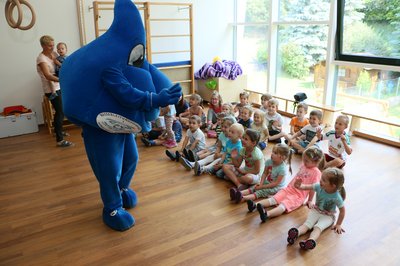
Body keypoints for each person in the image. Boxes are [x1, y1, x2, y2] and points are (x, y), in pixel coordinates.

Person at [249, 146, 324, 222]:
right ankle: (254, 205)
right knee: (274, 198)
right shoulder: (303, 165)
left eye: (306, 161)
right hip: (289, 189)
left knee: (284, 205)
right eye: (303, 159)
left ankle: (267, 214)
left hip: (298, 196)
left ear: (315, 162)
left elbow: (313, 188)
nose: (304, 161)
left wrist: (310, 200)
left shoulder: (317, 173)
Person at [287, 168, 346, 250]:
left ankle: (310, 241)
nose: (320, 180)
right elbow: (306, 187)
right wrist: (299, 186)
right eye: (321, 178)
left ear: (333, 186)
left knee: (318, 227)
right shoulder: (319, 186)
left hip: (328, 216)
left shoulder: (337, 197)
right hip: (316, 210)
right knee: (307, 224)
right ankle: (296, 233)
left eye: (324, 180)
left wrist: (338, 224)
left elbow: (342, 211)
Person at [36, 35, 73, 147]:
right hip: (50, 90)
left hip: (59, 86)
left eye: (53, 45)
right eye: (50, 46)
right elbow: (47, 75)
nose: (53, 48)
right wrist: (64, 79)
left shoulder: (54, 54)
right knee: (60, 112)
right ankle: (60, 140)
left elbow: (60, 65)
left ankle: (59, 131)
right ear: (43, 46)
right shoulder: (41, 59)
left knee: (62, 110)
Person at [224, 129, 265, 201]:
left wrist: (244, 173)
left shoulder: (256, 154)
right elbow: (237, 164)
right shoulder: (243, 150)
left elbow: (257, 171)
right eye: (243, 137)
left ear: (253, 143)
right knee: (225, 167)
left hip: (256, 176)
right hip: (245, 171)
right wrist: (233, 157)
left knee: (247, 178)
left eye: (246, 139)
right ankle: (239, 184)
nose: (242, 140)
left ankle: (235, 180)